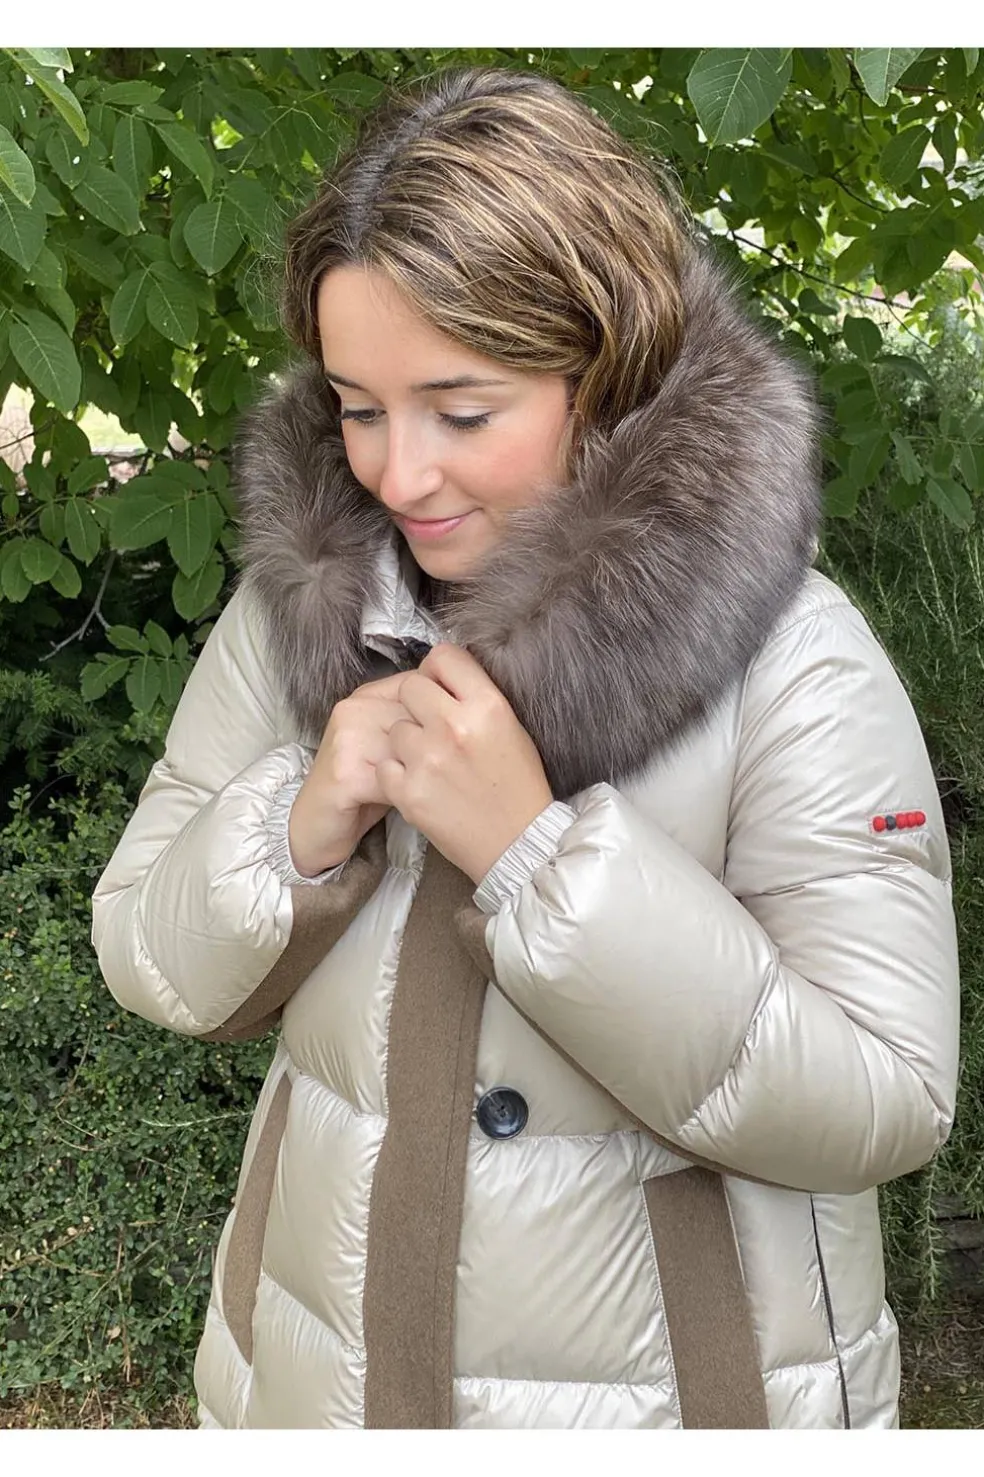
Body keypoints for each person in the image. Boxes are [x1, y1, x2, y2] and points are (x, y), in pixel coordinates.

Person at [90, 66, 960, 1430]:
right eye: (357, 406)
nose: (398, 474)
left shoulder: (791, 658)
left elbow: (887, 1098)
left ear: (603, 370)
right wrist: (296, 831)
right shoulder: (301, 613)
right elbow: (145, 956)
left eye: (462, 410)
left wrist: (537, 861)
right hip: (311, 1397)